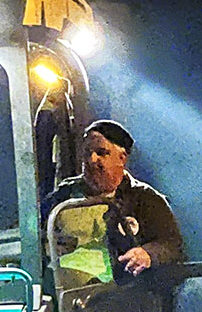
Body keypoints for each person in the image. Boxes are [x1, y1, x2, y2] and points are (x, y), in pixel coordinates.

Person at [44, 119, 184, 284]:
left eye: (101, 152)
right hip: (63, 291)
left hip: (119, 293)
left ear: (122, 158)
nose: (91, 159)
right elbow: (35, 233)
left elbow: (172, 245)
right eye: (87, 152)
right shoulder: (63, 195)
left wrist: (147, 254)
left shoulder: (145, 198)